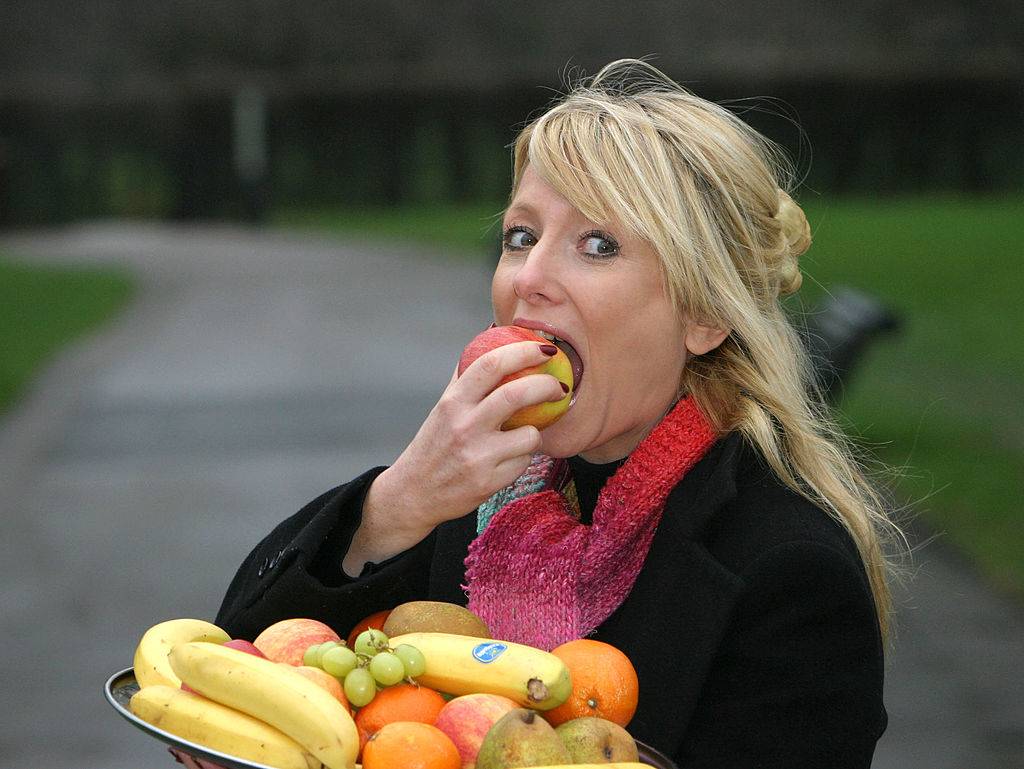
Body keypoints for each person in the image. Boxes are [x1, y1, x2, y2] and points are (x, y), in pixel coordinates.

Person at [215, 59, 901, 768]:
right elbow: (237, 674)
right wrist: (394, 505)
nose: (530, 278)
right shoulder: (475, 499)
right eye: (521, 236)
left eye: (598, 245)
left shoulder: (790, 571)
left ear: (704, 314)